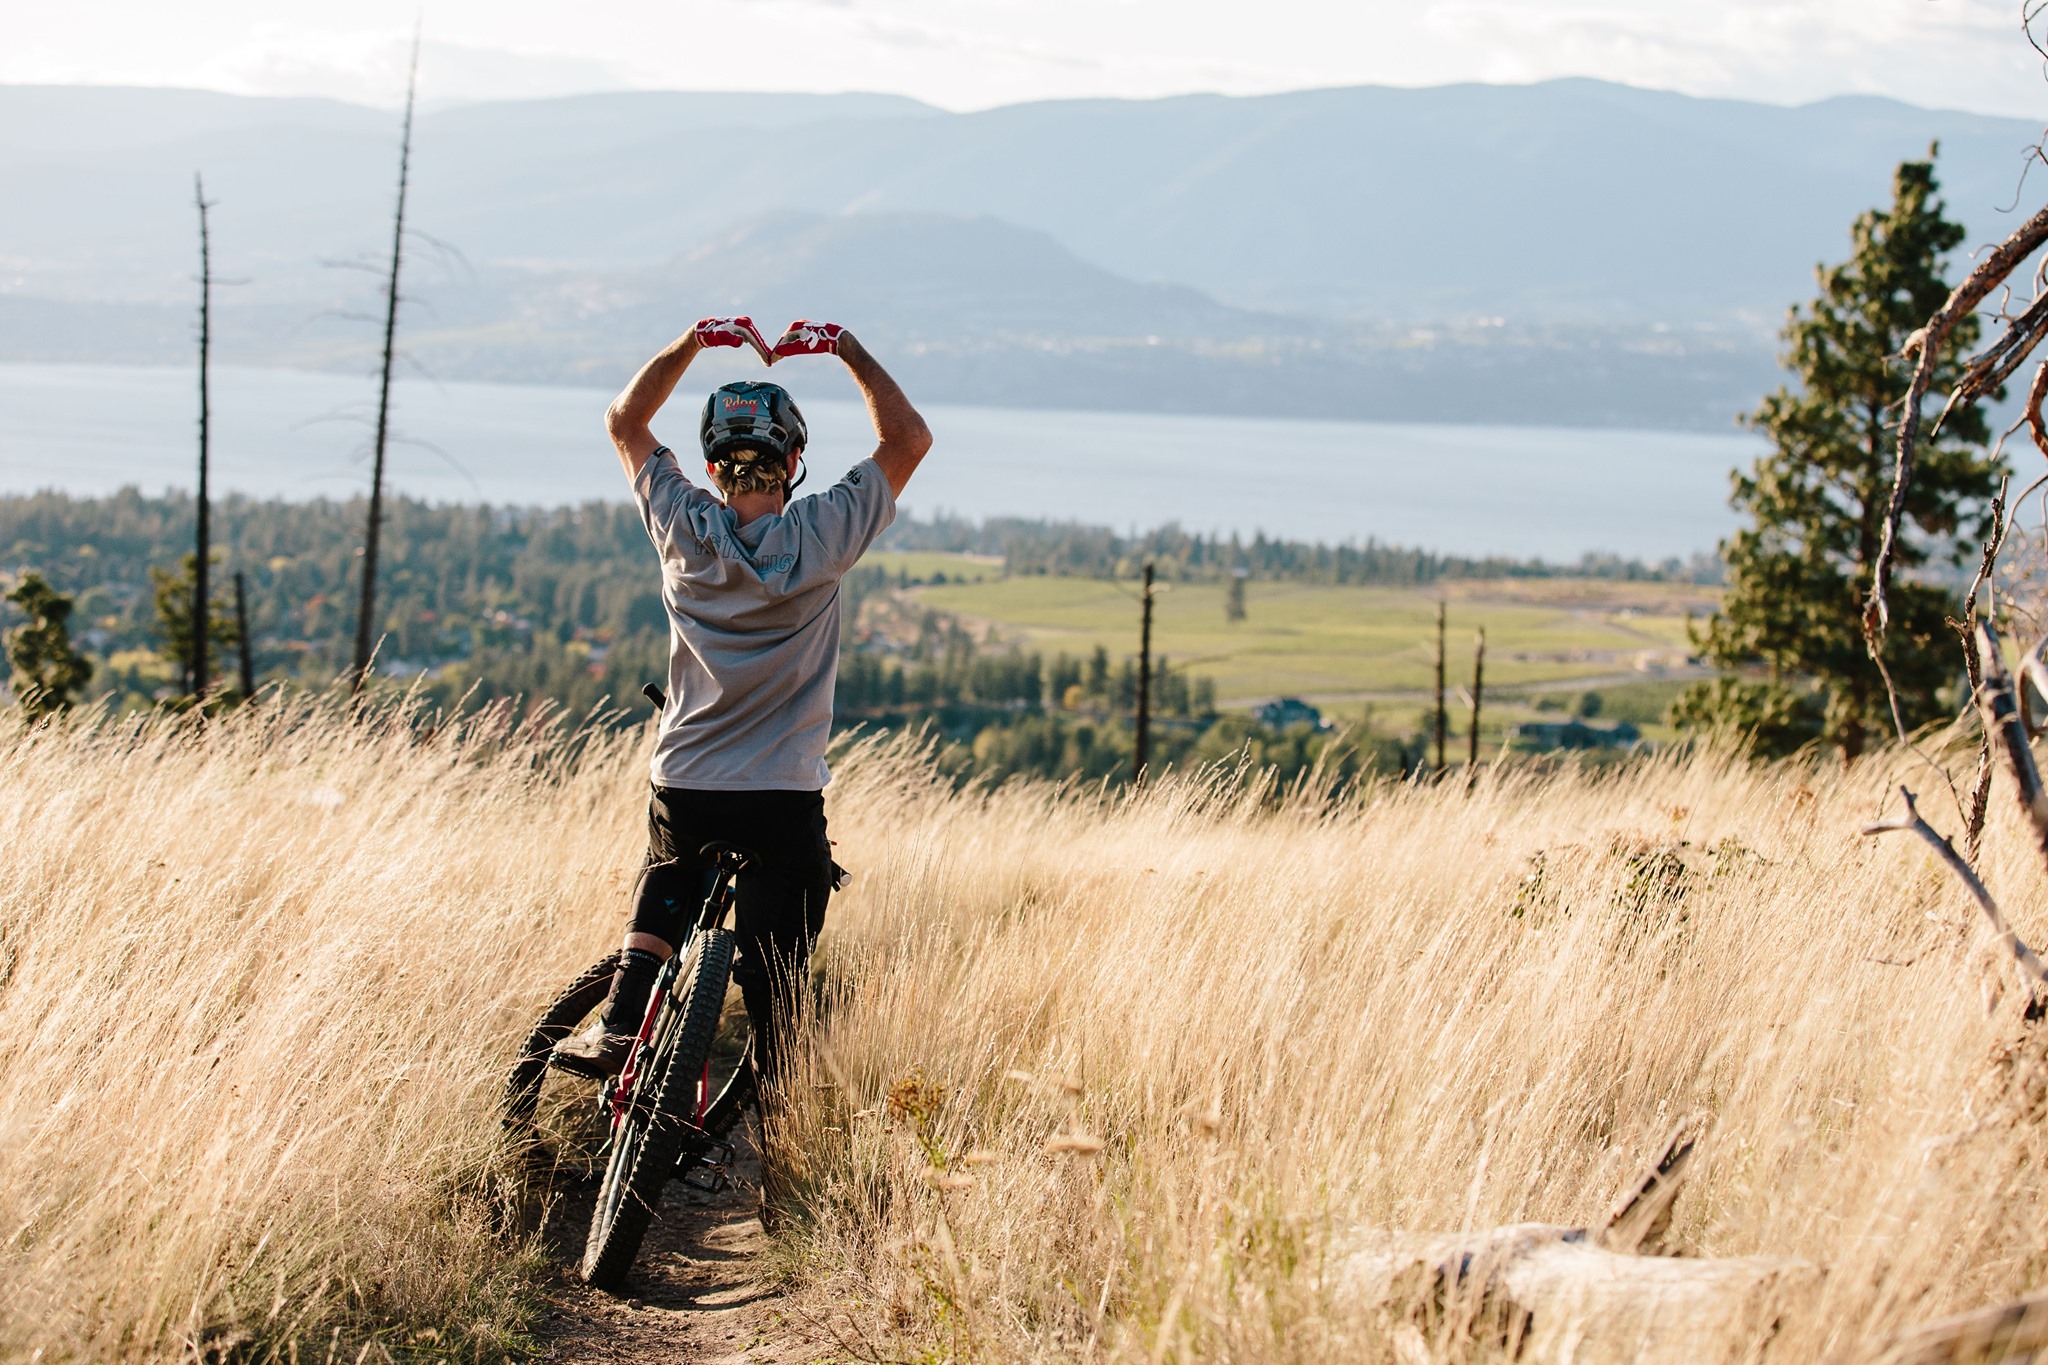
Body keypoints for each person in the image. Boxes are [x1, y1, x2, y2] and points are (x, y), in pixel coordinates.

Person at [551, 315, 932, 1086]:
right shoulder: (825, 532)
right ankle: (775, 1107)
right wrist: (847, 349)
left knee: (670, 865)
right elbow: (908, 439)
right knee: (779, 988)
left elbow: (624, 421)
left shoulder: (683, 526)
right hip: (783, 798)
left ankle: (623, 1022)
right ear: (793, 461)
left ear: (711, 464)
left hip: (686, 782)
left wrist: (694, 341)